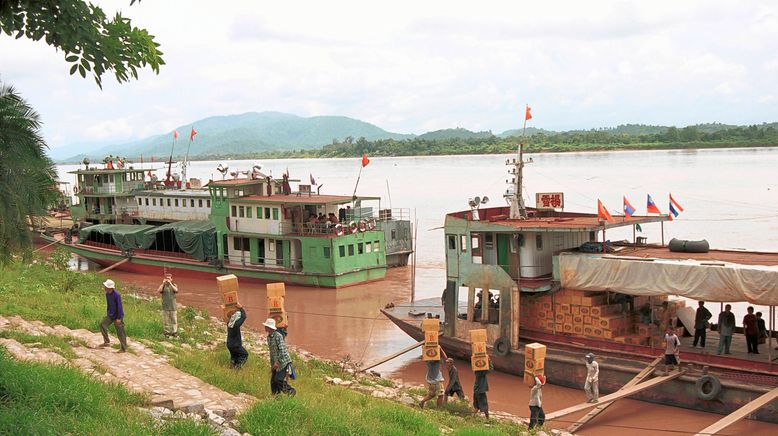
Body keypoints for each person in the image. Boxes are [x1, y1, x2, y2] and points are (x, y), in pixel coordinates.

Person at [265, 318, 295, 395]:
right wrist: (273, 365)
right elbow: (272, 352)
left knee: (278, 380)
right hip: (275, 362)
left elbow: (282, 350)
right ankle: (276, 397)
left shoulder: (278, 336)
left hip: (283, 362)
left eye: (266, 326)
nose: (265, 328)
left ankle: (291, 391)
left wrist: (277, 362)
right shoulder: (269, 337)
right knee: (273, 381)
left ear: (270, 328)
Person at [99, 279, 128, 353]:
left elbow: (120, 307)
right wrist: (108, 313)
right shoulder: (107, 294)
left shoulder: (117, 295)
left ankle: (123, 348)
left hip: (118, 316)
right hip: (111, 315)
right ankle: (106, 341)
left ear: (110, 288)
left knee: (120, 332)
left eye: (105, 286)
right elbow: (109, 304)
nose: (104, 287)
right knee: (102, 324)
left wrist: (119, 318)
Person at [158, 273, 178, 337]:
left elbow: (176, 290)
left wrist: (170, 283)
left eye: (169, 278)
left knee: (174, 320)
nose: (168, 279)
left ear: (171, 279)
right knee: (166, 321)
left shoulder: (174, 285)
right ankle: (167, 332)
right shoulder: (163, 286)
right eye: (167, 278)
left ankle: (174, 332)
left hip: (173, 307)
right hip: (165, 306)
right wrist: (163, 283)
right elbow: (159, 290)